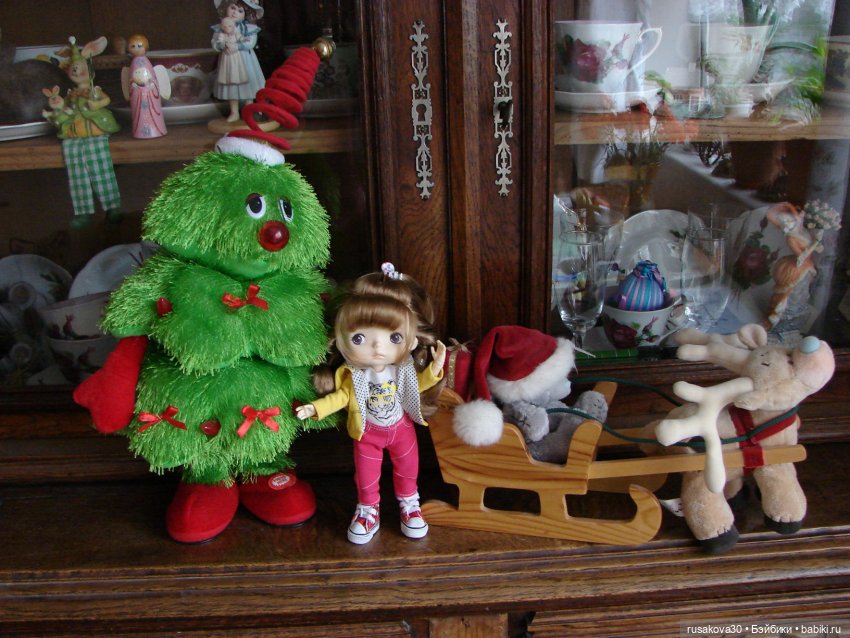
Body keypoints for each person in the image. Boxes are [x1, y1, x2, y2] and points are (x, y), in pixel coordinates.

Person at [296, 263, 446, 545]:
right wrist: (316, 408)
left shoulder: (402, 370)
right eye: (360, 338)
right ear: (342, 340)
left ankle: (410, 505)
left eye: (394, 337)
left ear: (411, 341)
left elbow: (417, 386)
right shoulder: (353, 375)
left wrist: (435, 369)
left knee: (408, 470)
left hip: (402, 431)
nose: (378, 347)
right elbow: (341, 397)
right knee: (366, 476)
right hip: (367, 434)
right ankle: (367, 510)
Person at [211, 0, 265, 122]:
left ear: (246, 14)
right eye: (233, 8)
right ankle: (234, 112)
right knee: (232, 85)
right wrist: (221, 45)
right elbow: (215, 42)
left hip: (246, 60)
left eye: (240, 11)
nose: (235, 12)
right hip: (228, 61)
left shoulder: (248, 28)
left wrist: (238, 46)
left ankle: (249, 109)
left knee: (248, 84)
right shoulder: (221, 27)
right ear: (226, 7)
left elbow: (251, 42)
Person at [125, 34, 166, 139]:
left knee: (153, 112)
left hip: (149, 93)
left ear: (145, 47)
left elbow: (153, 78)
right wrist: (134, 85)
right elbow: (130, 80)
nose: (136, 48)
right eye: (133, 46)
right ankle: (140, 131)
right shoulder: (133, 63)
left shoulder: (146, 62)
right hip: (138, 94)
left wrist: (151, 85)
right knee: (139, 114)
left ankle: (156, 130)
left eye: (139, 46)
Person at [214, 17, 248, 88]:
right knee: (227, 66)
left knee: (236, 66)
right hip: (226, 54)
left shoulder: (235, 34)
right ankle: (227, 79)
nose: (227, 28)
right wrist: (222, 44)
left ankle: (237, 78)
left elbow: (240, 38)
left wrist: (244, 39)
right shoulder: (222, 35)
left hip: (235, 54)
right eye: (225, 27)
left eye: (229, 26)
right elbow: (219, 42)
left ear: (233, 27)